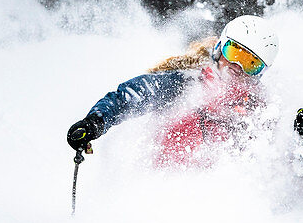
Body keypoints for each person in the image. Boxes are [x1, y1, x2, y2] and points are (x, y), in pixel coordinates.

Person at [67, 15, 279, 167]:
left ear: (260, 72)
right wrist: (96, 121)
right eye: (234, 52)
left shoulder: (259, 107)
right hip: (162, 186)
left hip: (218, 201)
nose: (237, 66)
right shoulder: (185, 83)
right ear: (219, 47)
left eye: (251, 63)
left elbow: (276, 155)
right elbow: (129, 97)